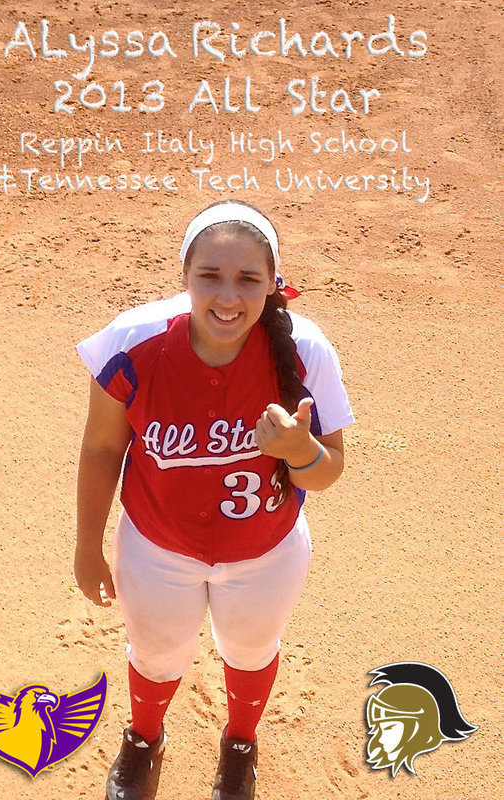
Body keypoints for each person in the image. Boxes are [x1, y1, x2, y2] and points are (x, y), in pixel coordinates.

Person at [74, 200, 354, 800]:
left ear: (274, 285)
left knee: (251, 651)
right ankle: (145, 740)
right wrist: (87, 547)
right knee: (154, 653)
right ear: (184, 277)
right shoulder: (134, 341)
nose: (228, 296)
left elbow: (328, 472)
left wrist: (299, 451)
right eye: (211, 276)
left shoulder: (306, 350)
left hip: (266, 551)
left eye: (249, 279)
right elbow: (102, 448)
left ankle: (240, 745)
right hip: (155, 545)